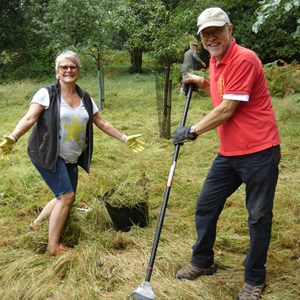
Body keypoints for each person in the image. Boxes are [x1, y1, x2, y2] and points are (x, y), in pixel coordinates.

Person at [173, 7, 281, 300]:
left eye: (216, 31)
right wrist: (203, 83)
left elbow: (227, 109)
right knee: (206, 205)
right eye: (205, 34)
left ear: (229, 29)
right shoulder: (215, 61)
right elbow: (224, 93)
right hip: (230, 153)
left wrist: (192, 130)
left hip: (260, 151)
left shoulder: (244, 58)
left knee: (258, 217)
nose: (211, 38)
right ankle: (203, 261)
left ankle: (254, 278)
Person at [0, 50, 145, 256]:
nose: (68, 70)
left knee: (66, 196)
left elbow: (101, 121)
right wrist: (13, 137)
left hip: (71, 155)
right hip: (46, 153)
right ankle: (53, 247)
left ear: (78, 71)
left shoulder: (85, 97)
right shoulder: (47, 93)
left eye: (72, 67)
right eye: (64, 67)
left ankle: (36, 224)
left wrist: (124, 138)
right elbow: (29, 118)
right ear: (57, 71)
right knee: (66, 196)